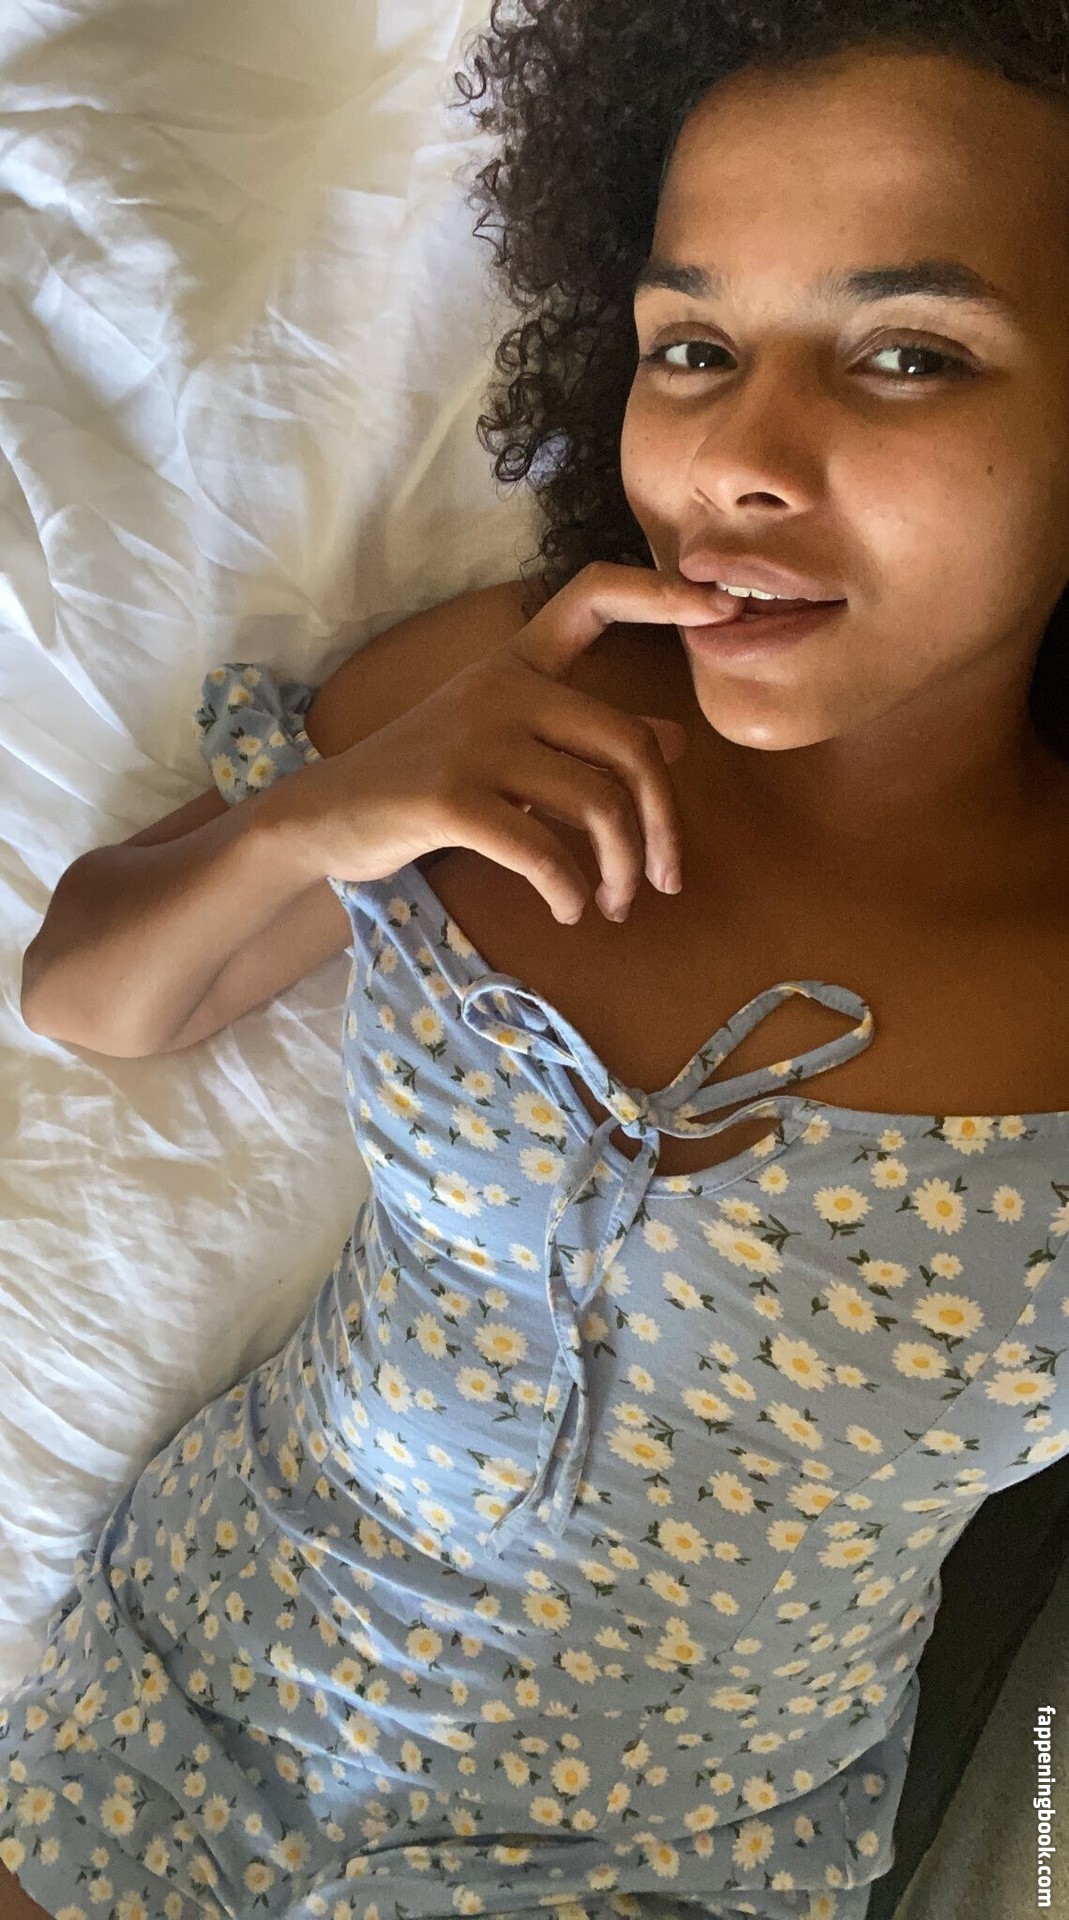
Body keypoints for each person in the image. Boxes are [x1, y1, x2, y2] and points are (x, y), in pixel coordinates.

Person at [5, 6, 1069, 1919]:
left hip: (682, 1861)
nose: (737, 459)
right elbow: (92, 1000)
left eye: (907, 355)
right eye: (693, 349)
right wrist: (318, 818)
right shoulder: (525, 690)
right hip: (190, 1708)